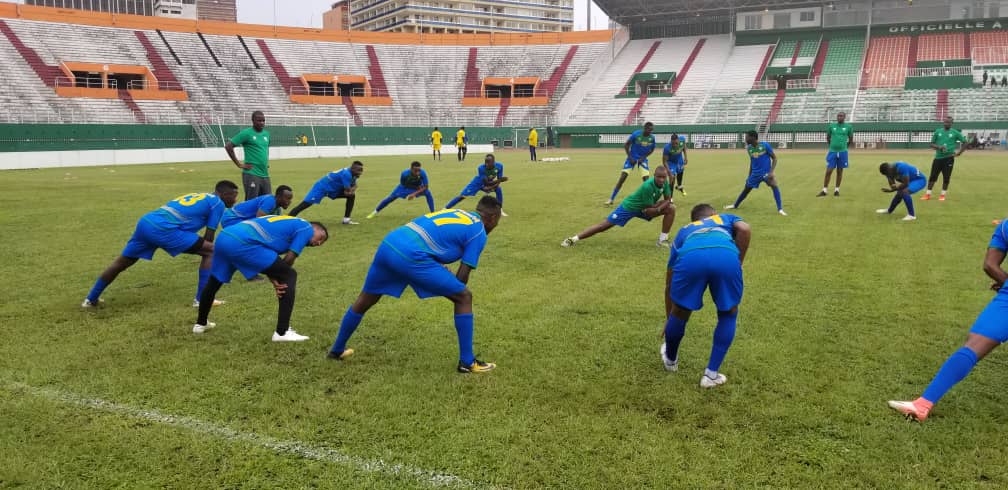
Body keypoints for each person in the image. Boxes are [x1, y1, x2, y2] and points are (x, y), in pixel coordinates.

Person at [326, 196, 504, 373]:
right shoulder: (478, 231)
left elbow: (434, 236)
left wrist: (439, 271)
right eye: (497, 221)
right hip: (411, 254)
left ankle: (337, 350)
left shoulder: (459, 212)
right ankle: (467, 362)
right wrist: (449, 282)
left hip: (390, 243)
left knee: (366, 298)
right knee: (464, 297)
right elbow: (461, 279)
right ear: (492, 218)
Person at [887, 219, 1008, 421]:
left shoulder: (1005, 226)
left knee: (974, 346)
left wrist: (1005, 282)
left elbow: (990, 264)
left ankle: (923, 404)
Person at [82, 181, 239, 309]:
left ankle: (90, 299)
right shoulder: (217, 204)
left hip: (147, 222)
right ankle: (202, 300)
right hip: (164, 228)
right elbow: (209, 237)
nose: (235, 200)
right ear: (224, 195)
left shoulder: (201, 195)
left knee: (123, 262)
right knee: (211, 252)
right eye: (234, 196)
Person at [194, 216, 329, 342]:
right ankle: (282, 332)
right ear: (314, 228)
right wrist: (280, 278)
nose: (318, 243)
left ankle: (200, 324)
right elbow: (289, 259)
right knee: (289, 275)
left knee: (214, 281)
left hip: (225, 236)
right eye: (321, 238)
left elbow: (270, 259)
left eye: (321, 243)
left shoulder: (287, 226)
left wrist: (274, 277)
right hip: (242, 242)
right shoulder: (306, 227)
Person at [662, 204, 751, 388]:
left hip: (691, 258)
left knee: (680, 312)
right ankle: (711, 375)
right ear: (713, 214)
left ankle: (670, 360)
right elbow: (744, 228)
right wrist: (739, 262)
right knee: (728, 313)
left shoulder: (684, 230)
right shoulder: (724, 218)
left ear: (694, 220)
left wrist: (670, 316)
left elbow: (669, 279)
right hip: (725, 255)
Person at [562, 166, 676, 248]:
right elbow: (651, 208)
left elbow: (668, 199)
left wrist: (661, 207)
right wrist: (660, 207)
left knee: (671, 208)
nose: (661, 180)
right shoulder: (648, 186)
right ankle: (573, 239)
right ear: (654, 176)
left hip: (646, 208)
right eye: (659, 177)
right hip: (630, 207)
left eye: (663, 177)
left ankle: (662, 240)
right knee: (603, 226)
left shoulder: (665, 183)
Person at [725, 130, 786, 216]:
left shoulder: (765, 145)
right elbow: (752, 162)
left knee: (774, 185)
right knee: (746, 189)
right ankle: (735, 205)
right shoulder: (749, 148)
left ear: (753, 137)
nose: (745, 139)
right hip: (755, 174)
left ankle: (780, 209)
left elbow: (774, 158)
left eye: (747, 137)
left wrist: (771, 172)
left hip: (766, 173)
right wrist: (749, 176)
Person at [288, 161, 363, 225]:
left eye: (361, 170)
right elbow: (348, 191)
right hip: (322, 187)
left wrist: (353, 188)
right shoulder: (346, 174)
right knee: (305, 204)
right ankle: (287, 219)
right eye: (358, 170)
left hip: (333, 189)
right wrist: (354, 187)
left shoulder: (353, 174)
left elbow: (351, 189)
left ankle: (346, 220)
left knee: (351, 196)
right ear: (352, 168)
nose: (360, 172)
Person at [606, 122, 657, 205]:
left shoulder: (652, 138)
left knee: (646, 181)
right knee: (622, 178)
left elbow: (652, 149)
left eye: (651, 130)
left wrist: (644, 157)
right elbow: (626, 145)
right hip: (632, 158)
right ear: (644, 128)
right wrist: (630, 157)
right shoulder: (636, 134)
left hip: (642, 160)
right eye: (649, 130)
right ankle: (611, 199)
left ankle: (650, 201)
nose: (650, 132)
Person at [225, 111, 272, 201]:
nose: (262, 123)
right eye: (259, 120)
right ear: (253, 121)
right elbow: (228, 146)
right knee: (251, 202)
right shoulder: (246, 133)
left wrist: (265, 162)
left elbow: (265, 149)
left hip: (265, 174)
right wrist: (239, 164)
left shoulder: (266, 134)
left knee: (267, 201)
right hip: (252, 173)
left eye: (263, 120)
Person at [367, 161, 435, 218]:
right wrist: (409, 194)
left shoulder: (423, 173)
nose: (418, 172)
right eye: (415, 170)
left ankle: (433, 213)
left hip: (417, 187)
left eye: (419, 170)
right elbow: (404, 184)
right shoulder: (404, 174)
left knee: (428, 193)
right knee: (390, 198)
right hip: (404, 187)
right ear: (411, 169)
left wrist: (414, 194)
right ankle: (374, 212)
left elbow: (426, 187)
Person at [923, 116, 967, 201]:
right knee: (933, 176)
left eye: (949, 122)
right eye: (946, 122)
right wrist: (939, 147)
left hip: (949, 158)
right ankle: (927, 194)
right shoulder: (938, 131)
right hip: (938, 158)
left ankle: (942, 195)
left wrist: (959, 153)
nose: (947, 124)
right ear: (943, 122)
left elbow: (965, 142)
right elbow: (931, 144)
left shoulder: (955, 133)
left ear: (952, 123)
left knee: (946, 177)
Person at [221, 185, 294, 228]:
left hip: (236, 219)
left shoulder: (277, 210)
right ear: (278, 197)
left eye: (290, 199)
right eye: (287, 198)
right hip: (231, 218)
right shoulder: (270, 201)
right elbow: (259, 222)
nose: (289, 201)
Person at [819, 112, 853, 197]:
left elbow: (851, 139)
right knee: (829, 171)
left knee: (840, 171)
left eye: (841, 116)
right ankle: (824, 190)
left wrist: (844, 147)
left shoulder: (848, 127)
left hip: (843, 152)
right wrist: (832, 146)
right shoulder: (832, 126)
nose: (839, 117)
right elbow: (828, 137)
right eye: (838, 116)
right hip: (832, 152)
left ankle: (837, 190)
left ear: (844, 117)